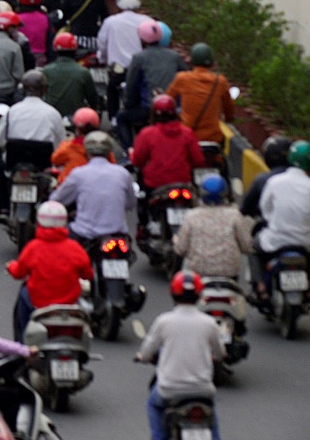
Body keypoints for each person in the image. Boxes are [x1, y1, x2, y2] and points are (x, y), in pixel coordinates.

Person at [137, 273, 227, 440]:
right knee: (210, 414)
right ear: (199, 295)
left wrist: (142, 357)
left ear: (173, 293)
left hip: (169, 390)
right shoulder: (209, 323)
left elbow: (146, 351)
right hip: (203, 390)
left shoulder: (164, 321)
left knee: (153, 405)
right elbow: (220, 353)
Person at [5, 200, 93, 339]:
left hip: (39, 304)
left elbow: (18, 273)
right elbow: (88, 274)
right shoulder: (75, 248)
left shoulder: (33, 248)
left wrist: (11, 266)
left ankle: (21, 344)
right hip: (69, 304)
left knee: (23, 295)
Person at [255, 139, 310, 291]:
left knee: (255, 247)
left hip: (275, 241)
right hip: (304, 243)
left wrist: (274, 220)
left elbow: (265, 209)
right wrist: (308, 227)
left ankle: (261, 284)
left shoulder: (274, 182)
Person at [0, 68, 66, 221]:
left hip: (14, 162)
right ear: (44, 90)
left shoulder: (12, 111)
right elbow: (61, 143)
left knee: (0, 167)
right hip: (43, 164)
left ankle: (3, 208)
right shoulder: (52, 113)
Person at [52, 130, 137, 242]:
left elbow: (57, 199)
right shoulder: (122, 173)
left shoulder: (79, 174)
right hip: (118, 234)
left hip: (86, 234)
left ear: (87, 151)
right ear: (108, 151)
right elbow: (131, 202)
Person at [175, 174, 255, 282]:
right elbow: (246, 246)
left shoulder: (192, 216)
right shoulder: (234, 215)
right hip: (229, 273)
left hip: (199, 273)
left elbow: (181, 249)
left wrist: (176, 241)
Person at [131, 95, 205, 192]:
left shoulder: (147, 134)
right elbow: (198, 161)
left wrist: (131, 153)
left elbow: (138, 161)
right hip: (183, 183)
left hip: (154, 184)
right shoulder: (187, 133)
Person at [169, 43, 236, 147]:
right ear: (212, 63)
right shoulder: (220, 81)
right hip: (212, 138)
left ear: (191, 61)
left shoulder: (181, 79)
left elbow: (168, 101)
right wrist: (229, 118)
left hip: (187, 136)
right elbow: (229, 107)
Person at [42, 31, 99, 117]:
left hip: (51, 116)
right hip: (76, 117)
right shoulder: (83, 72)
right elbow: (92, 98)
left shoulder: (46, 71)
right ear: (75, 51)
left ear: (55, 50)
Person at [48, 107, 103, 183]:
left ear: (77, 129)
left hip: (70, 187)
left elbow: (55, 159)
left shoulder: (69, 146)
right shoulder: (104, 148)